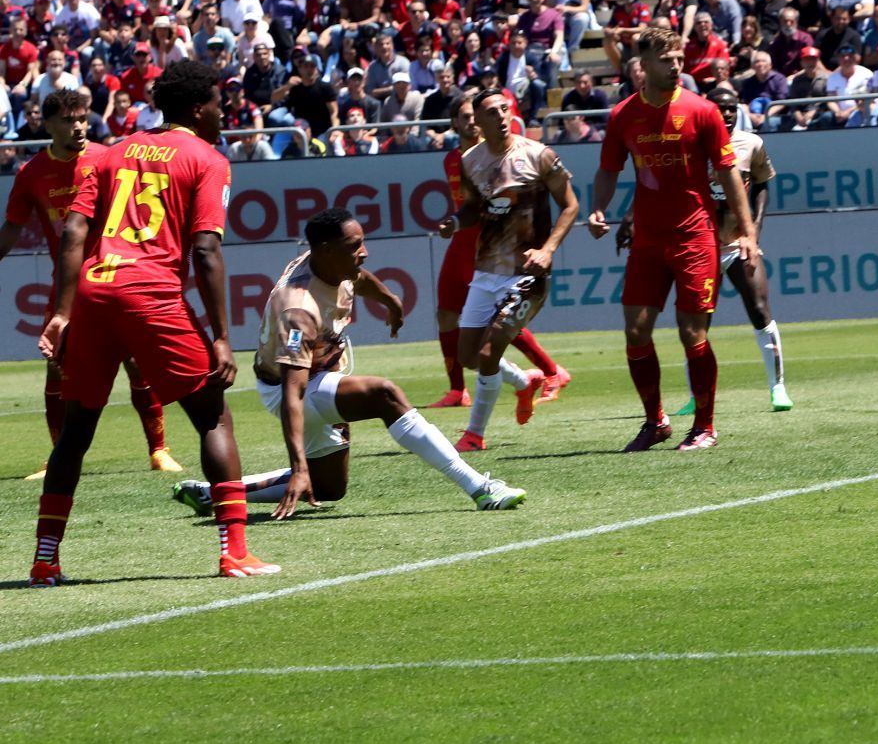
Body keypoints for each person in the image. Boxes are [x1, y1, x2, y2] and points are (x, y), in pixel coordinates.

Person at [30, 62, 276, 584]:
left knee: (75, 431)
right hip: (151, 294)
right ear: (197, 109)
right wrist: (223, 337)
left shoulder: (112, 152)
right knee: (213, 417)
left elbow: (73, 232)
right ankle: (234, 552)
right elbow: (205, 250)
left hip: (94, 292)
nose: (223, 112)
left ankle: (45, 560)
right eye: (217, 104)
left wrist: (62, 313)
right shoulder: (207, 159)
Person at [171, 209, 526, 518]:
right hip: (289, 389)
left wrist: (390, 300)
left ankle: (215, 493)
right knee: (384, 394)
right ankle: (480, 488)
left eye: (362, 242)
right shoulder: (298, 310)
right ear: (326, 250)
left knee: (328, 487)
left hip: (318, 378)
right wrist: (297, 466)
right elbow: (293, 393)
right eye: (354, 246)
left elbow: (358, 277)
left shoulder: (332, 263)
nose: (364, 252)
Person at [587, 26, 759, 454]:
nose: (676, 66)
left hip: (695, 236)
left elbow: (728, 173)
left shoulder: (703, 111)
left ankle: (704, 426)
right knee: (635, 331)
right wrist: (598, 208)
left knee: (691, 332)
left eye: (679, 58)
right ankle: (656, 422)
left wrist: (746, 230)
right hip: (647, 239)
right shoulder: (623, 115)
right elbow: (608, 169)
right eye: (666, 60)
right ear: (643, 65)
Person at [0, 89, 178, 482]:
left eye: (82, 118)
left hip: (115, 276)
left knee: (135, 361)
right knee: (56, 368)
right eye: (68, 120)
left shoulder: (108, 158)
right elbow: (11, 229)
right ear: (47, 125)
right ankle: (57, 458)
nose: (79, 126)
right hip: (67, 287)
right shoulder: (31, 173)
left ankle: (159, 450)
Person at [444, 88, 580, 454]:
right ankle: (524, 382)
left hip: (527, 275)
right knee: (468, 356)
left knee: (489, 353)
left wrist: (548, 250)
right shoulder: (470, 160)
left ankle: (474, 435)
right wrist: (454, 222)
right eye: (492, 112)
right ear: (478, 120)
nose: (502, 116)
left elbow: (570, 205)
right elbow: (474, 207)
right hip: (487, 270)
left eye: (505, 109)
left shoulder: (538, 155)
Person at [649, 86, 793, 415]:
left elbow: (762, 185)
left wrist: (754, 230)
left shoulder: (751, 143)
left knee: (759, 308)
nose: (726, 114)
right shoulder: (689, 144)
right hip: (701, 247)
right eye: (720, 108)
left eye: (731, 108)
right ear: (707, 111)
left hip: (738, 244)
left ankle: (778, 388)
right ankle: (696, 396)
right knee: (697, 324)